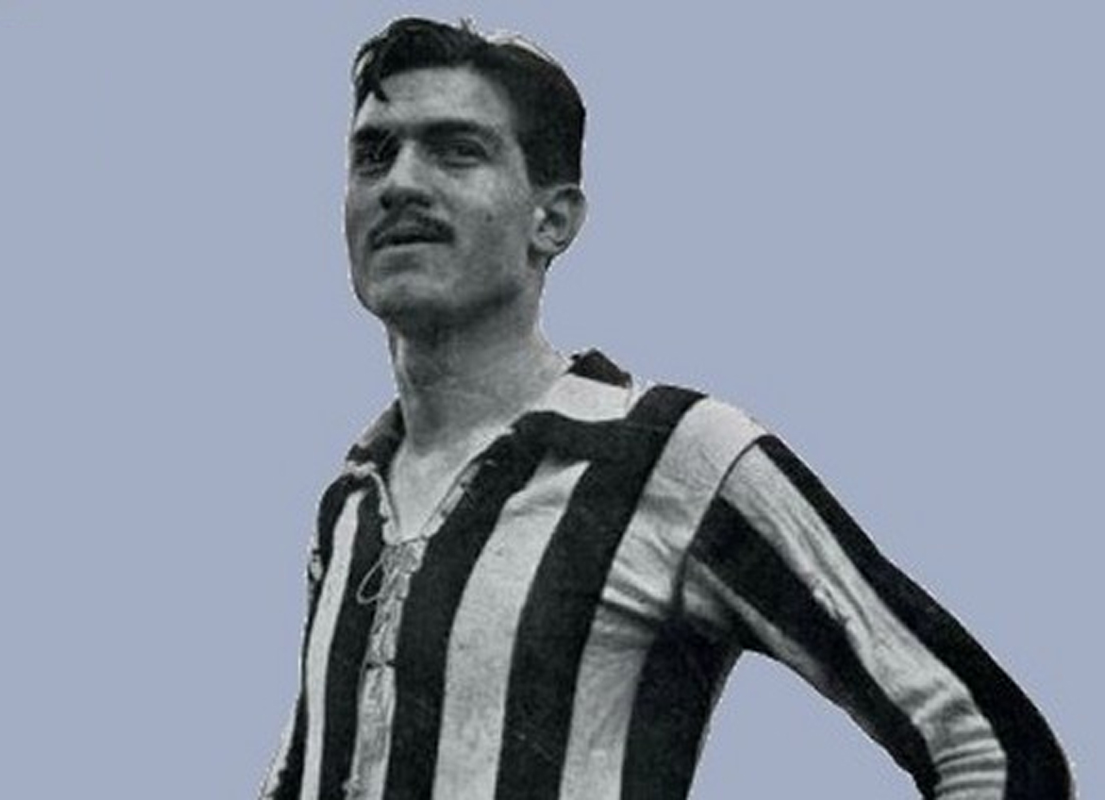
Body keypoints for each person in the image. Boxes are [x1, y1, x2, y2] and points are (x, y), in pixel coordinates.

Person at [261, 16, 1070, 800]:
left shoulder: (672, 452)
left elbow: (992, 747)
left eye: (456, 150)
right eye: (373, 155)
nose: (401, 182)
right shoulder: (353, 499)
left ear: (554, 219)